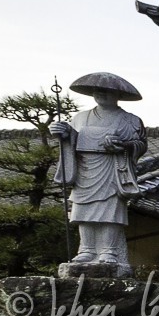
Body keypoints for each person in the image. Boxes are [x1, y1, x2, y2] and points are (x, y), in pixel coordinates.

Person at [52, 72, 147, 276]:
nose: (101, 94)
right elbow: (72, 139)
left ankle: (109, 251)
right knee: (82, 210)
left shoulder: (130, 120)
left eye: (106, 90)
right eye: (97, 90)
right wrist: (64, 133)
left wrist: (123, 145)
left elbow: (140, 145)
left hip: (112, 167)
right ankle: (86, 249)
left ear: (117, 94)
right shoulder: (80, 117)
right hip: (85, 167)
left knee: (109, 210)